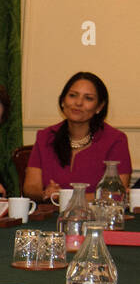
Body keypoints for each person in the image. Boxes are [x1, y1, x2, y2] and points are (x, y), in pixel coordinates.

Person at [24, 72, 132, 202]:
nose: (78, 103)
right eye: (72, 95)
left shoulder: (116, 140)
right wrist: (45, 193)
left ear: (99, 107)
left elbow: (116, 192)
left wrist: (66, 198)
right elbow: (30, 187)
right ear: (63, 100)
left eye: (88, 98)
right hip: (51, 216)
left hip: (96, 218)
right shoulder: (46, 136)